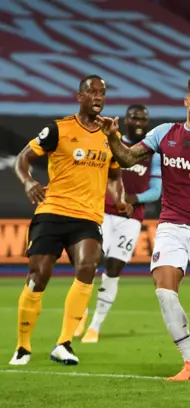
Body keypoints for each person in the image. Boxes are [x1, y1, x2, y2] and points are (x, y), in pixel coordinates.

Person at [98, 74, 190, 381]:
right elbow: (128, 157)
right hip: (171, 226)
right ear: (186, 101)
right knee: (164, 292)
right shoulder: (165, 133)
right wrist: (112, 137)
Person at [9, 75, 132, 366]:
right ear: (80, 97)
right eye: (91, 91)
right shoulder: (58, 129)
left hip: (87, 216)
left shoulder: (110, 135)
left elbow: (115, 175)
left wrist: (121, 198)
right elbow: (22, 159)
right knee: (38, 276)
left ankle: (63, 343)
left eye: (102, 92)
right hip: (52, 211)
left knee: (88, 265)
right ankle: (23, 347)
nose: (98, 96)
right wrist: (27, 182)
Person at [75, 105, 161, 343]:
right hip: (103, 212)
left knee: (113, 270)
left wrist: (133, 199)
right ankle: (79, 312)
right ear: (126, 120)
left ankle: (95, 325)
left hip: (130, 219)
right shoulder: (110, 142)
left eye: (144, 118)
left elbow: (156, 190)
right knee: (90, 263)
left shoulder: (153, 152)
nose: (139, 122)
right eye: (135, 117)